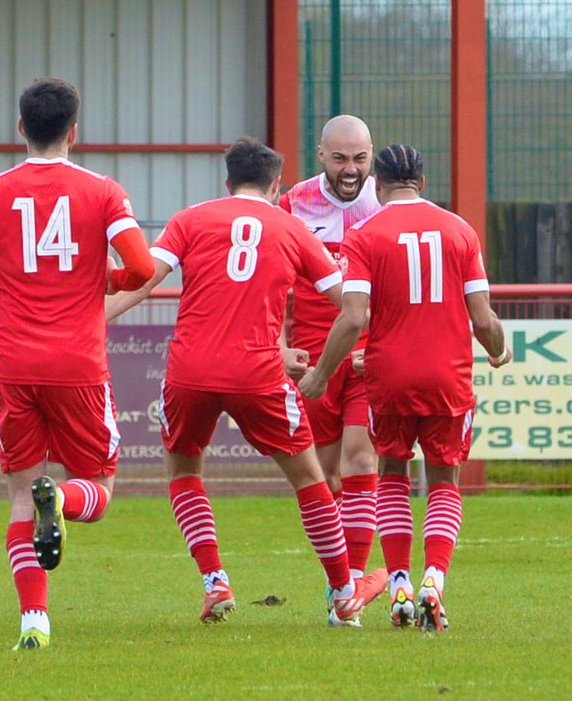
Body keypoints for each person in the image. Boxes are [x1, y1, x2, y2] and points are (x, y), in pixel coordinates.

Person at [105, 137, 387, 628]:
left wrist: (92, 321)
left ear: (227, 182)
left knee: (184, 470)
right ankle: (344, 594)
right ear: (277, 184)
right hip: (257, 372)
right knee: (310, 480)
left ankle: (215, 582)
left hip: (190, 370)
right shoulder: (292, 228)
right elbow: (351, 306)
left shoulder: (190, 219)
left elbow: (144, 278)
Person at [0, 77, 154, 652]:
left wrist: (5, 268)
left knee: (17, 492)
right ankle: (62, 500)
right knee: (100, 488)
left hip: (12, 364)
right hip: (78, 364)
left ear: (20, 128)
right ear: (74, 131)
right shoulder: (102, 191)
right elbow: (141, 267)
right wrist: (97, 277)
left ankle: (34, 621)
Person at [299, 144, 512, 633]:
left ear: (377, 180)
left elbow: (353, 318)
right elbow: (483, 320)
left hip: (389, 376)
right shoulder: (460, 231)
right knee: (444, 479)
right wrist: (499, 347)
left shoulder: (366, 234)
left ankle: (398, 581)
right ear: (423, 180)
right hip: (448, 377)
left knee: (391, 473)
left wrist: (320, 373)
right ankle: (434, 578)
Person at [278, 114, 382, 626]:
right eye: (340, 158)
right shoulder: (292, 205)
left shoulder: (386, 207)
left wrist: (386, 345)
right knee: (327, 477)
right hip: (312, 364)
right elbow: (272, 286)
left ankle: (352, 594)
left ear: (372, 156)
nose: (350, 169)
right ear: (320, 155)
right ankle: (339, 582)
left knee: (363, 459)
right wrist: (279, 346)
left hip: (368, 357)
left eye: (360, 158)